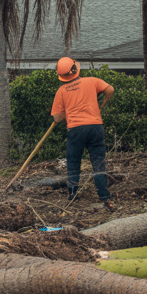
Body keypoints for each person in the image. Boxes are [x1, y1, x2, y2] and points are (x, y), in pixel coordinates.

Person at [50, 56, 116, 208]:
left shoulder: (61, 91)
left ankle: (73, 196)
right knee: (98, 163)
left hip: (76, 129)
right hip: (95, 127)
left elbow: (57, 118)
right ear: (76, 69)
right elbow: (110, 90)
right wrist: (103, 102)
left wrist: (69, 108)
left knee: (73, 163)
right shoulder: (92, 81)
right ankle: (104, 197)